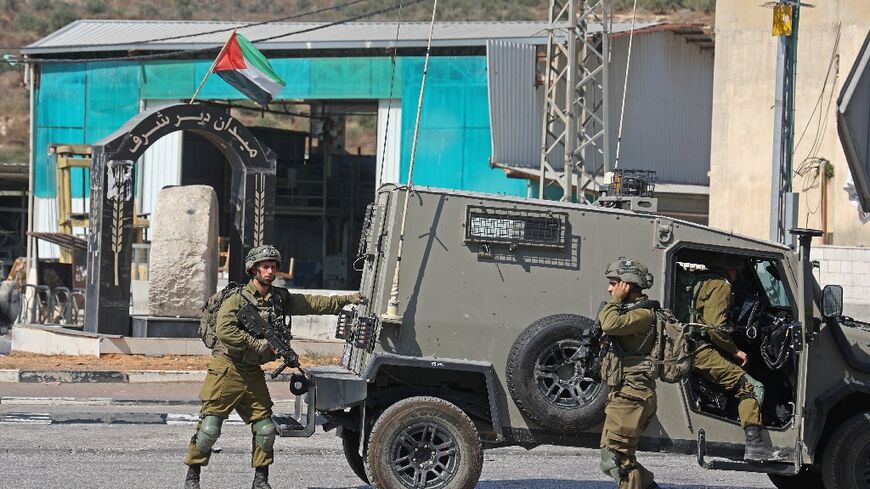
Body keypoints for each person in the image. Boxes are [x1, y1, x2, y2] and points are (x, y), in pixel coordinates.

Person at [183, 245, 363, 489]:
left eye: (273, 267)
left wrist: (348, 299)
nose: (270, 271)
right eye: (265, 267)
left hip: (252, 373)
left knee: (266, 429)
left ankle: (261, 480)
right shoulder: (237, 298)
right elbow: (226, 331)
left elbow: (312, 303)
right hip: (227, 369)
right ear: (254, 269)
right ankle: (192, 477)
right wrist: (258, 344)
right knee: (209, 429)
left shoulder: (279, 298)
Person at [690, 255, 780, 461]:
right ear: (729, 269)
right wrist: (735, 351)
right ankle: (754, 444)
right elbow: (715, 329)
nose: (737, 274)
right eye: (736, 269)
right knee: (750, 387)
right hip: (701, 349)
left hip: (691, 345)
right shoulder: (720, 285)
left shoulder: (699, 280)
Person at [598, 257, 661, 489]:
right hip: (625, 393)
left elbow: (609, 324)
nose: (609, 289)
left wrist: (615, 300)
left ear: (628, 284)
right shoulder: (630, 311)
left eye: (614, 283)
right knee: (613, 458)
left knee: (618, 462)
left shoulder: (643, 314)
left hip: (634, 394)